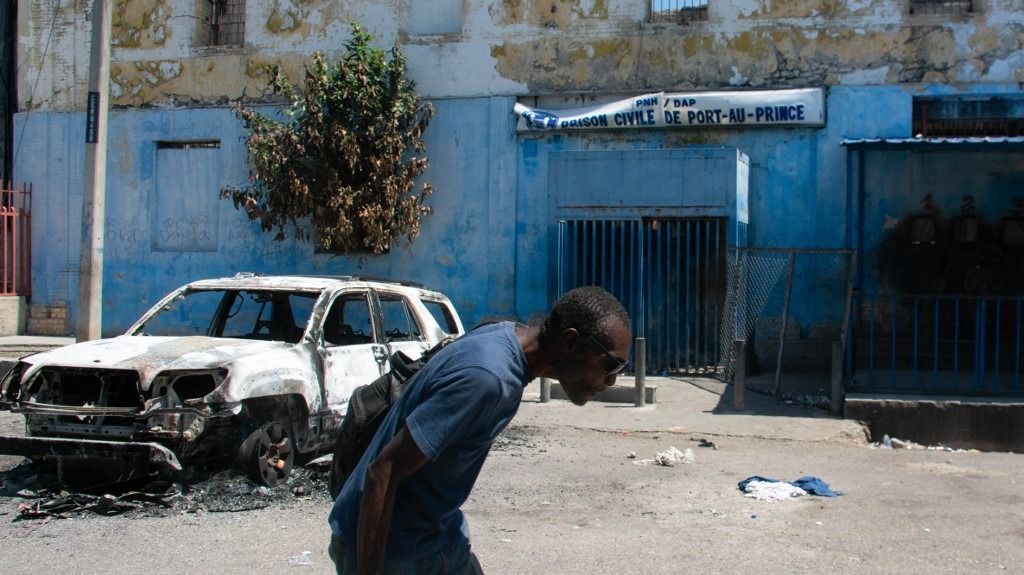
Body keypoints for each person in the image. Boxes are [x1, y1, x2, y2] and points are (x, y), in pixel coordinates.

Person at [327, 286, 632, 574]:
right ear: (570, 341)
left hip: (438, 535)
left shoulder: (503, 336)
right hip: (393, 548)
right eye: (611, 366)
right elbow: (383, 471)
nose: (611, 381)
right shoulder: (487, 379)